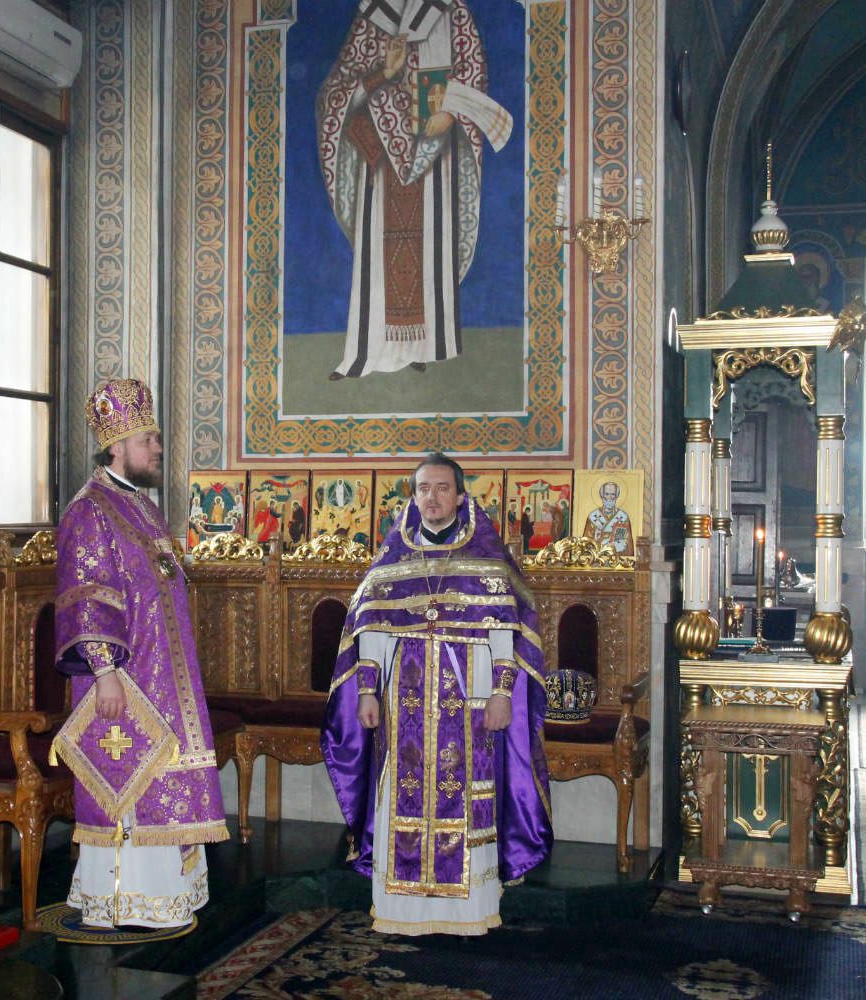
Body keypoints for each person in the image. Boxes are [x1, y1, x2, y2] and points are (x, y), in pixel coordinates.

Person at [322, 452, 551, 936]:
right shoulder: (393, 559)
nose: (432, 497)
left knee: (467, 797)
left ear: (461, 497)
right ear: (414, 496)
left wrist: (502, 695)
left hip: (469, 703)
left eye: (442, 488)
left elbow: (504, 632)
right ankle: (402, 911)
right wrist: (367, 693)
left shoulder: (486, 560)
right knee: (400, 795)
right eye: (423, 488)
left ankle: (467, 913)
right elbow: (373, 629)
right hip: (403, 702)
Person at [53, 377, 227, 930]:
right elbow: (86, 596)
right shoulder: (89, 510)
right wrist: (103, 670)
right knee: (130, 779)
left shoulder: (141, 507)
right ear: (117, 445)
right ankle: (126, 901)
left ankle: (165, 895)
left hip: (163, 675)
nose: (157, 448)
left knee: (163, 776)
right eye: (148, 439)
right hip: (125, 679)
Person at [317, 0, 512, 380]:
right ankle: (369, 352)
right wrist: (384, 73)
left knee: (432, 243)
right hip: (380, 159)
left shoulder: (451, 10)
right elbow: (335, 94)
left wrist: (450, 112)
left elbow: (472, 71)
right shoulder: (373, 15)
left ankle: (426, 346)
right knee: (378, 254)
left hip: (434, 151)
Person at [581, 481, 632, 554]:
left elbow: (627, 543)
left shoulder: (623, 517)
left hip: (616, 556)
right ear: (602, 496)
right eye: (607, 494)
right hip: (596, 557)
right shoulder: (593, 516)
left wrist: (614, 546)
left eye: (613, 494)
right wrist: (596, 540)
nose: (610, 497)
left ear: (616, 496)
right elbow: (585, 542)